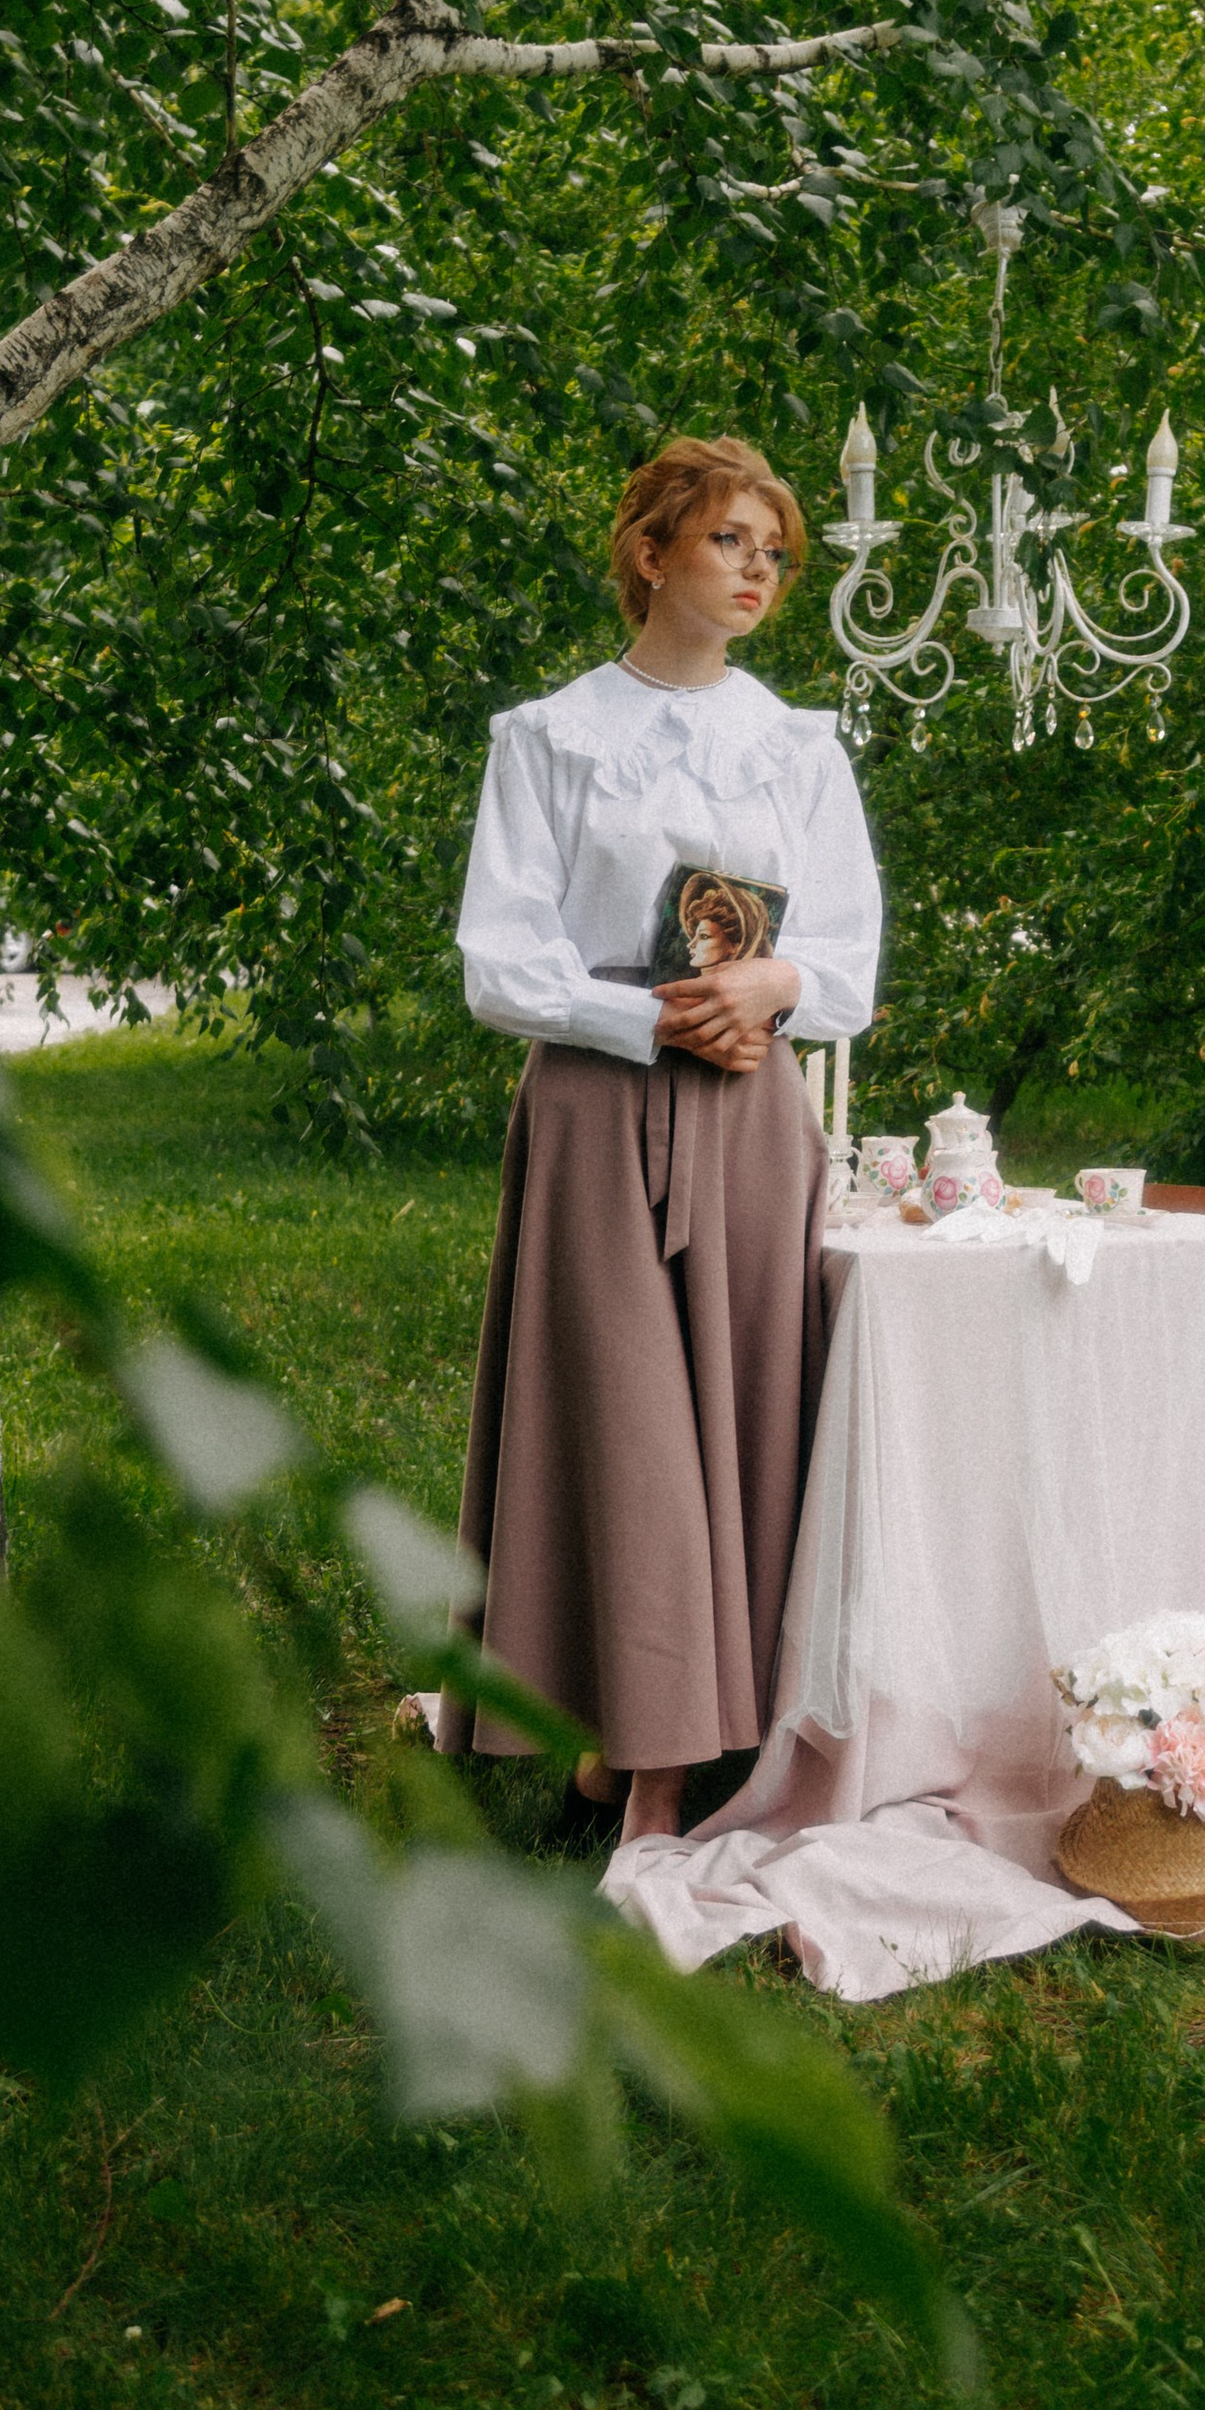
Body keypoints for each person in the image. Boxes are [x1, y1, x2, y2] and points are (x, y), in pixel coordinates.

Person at [446, 435, 883, 1841]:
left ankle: (687, 1757)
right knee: (626, 1421)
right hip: (597, 1105)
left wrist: (771, 985)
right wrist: (652, 1021)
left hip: (751, 1110)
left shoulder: (798, 746)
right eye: (729, 541)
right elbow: (500, 958)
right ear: (650, 553)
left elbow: (852, 958)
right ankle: (631, 1743)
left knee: (748, 1416)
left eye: (775, 552)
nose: (759, 571)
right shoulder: (549, 738)